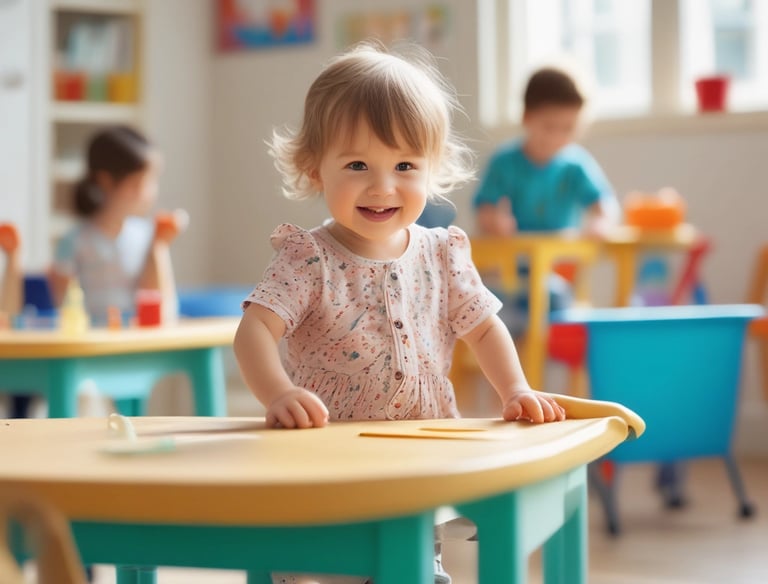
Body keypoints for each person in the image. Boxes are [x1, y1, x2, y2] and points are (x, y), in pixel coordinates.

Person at [233, 42, 566, 584]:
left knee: (413, 568)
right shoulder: (308, 257)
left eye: (405, 165)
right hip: (327, 468)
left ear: (433, 168)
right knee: (328, 569)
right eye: (357, 165)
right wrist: (278, 394)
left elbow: (484, 328)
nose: (382, 186)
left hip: (419, 461)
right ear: (314, 168)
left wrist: (515, 389)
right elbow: (254, 332)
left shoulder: (443, 252)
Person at [472, 67, 619, 335]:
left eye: (568, 128)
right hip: (508, 275)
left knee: (556, 301)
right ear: (527, 118)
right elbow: (485, 210)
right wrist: (495, 222)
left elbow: (604, 205)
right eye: (549, 127)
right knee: (488, 308)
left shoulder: (576, 164)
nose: (557, 137)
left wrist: (600, 223)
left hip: (556, 275)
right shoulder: (504, 162)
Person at [48, 126, 183, 326]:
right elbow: (65, 308)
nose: (150, 193)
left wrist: (159, 246)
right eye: (138, 183)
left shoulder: (148, 236)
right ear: (106, 181)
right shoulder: (74, 241)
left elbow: (164, 309)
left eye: (153, 182)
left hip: (136, 338)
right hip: (93, 340)